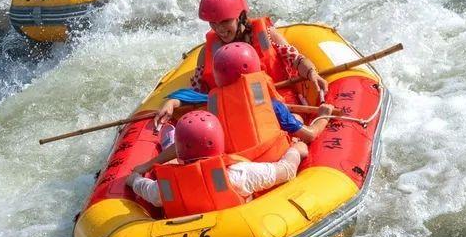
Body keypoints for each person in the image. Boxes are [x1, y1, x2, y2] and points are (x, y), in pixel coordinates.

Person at [135, 39, 334, 177]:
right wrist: (323, 116)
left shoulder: (212, 110)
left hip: (233, 166)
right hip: (269, 163)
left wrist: (148, 164)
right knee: (298, 126)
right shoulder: (273, 107)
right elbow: (311, 135)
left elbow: (183, 145)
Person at [153, 0, 329, 132]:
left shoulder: (265, 35)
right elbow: (199, 92)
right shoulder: (208, 51)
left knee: (295, 122)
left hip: (280, 104)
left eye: (224, 21)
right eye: (213, 23)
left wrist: (312, 72)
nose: (219, 28)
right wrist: (173, 102)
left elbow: (296, 59)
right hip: (238, 113)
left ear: (240, 16)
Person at [126, 110, 308, 217]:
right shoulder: (238, 175)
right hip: (237, 235)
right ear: (219, 141)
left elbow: (142, 187)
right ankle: (170, 142)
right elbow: (287, 170)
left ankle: (169, 142)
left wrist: (133, 179)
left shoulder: (163, 189)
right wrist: (296, 150)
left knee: (175, 165)